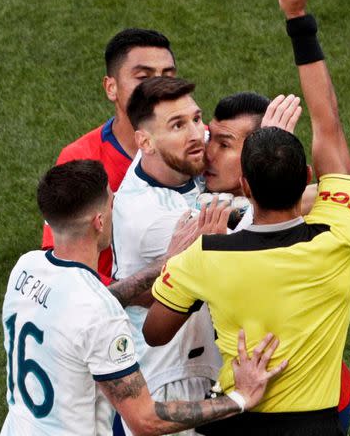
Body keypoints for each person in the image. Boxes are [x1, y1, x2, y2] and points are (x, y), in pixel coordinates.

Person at [143, 0, 350, 435]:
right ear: (307, 179)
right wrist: (299, 20)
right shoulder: (338, 236)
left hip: (236, 420)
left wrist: (176, 260)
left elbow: (155, 332)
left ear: (245, 185)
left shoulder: (204, 255)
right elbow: (328, 126)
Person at [1, 159, 286, 435]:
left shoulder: (27, 268)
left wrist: (169, 259)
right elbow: (145, 420)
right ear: (99, 222)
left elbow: (90, 302)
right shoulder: (99, 314)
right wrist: (240, 398)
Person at [204, 91, 350, 432]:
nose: (207, 154)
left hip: (302, 401)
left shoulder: (214, 238)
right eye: (208, 138)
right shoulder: (203, 206)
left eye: (225, 145)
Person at [111, 77, 227, 436]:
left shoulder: (166, 160)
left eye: (196, 118)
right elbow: (264, 213)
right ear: (144, 141)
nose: (196, 135)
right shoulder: (151, 217)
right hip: (170, 381)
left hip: (194, 365)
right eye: (178, 125)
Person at [41, 29, 177, 284]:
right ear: (111, 87)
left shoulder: (200, 142)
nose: (160, 87)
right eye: (143, 76)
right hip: (115, 308)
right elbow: (64, 265)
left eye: (168, 76)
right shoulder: (81, 158)